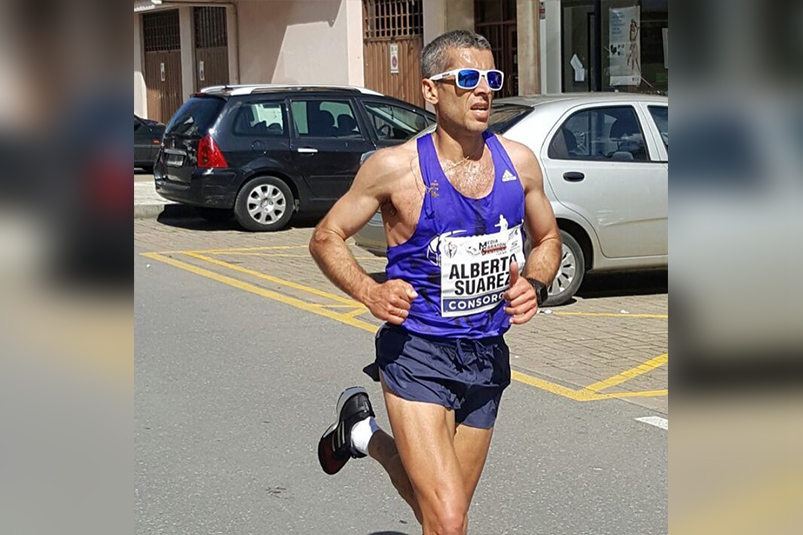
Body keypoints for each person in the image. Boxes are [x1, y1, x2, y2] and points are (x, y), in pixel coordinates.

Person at [309, 30, 561, 535]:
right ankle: (364, 434)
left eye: (491, 78)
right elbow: (326, 237)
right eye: (467, 78)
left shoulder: (520, 163)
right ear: (431, 90)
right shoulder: (394, 168)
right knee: (448, 519)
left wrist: (534, 282)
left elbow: (549, 238)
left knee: (442, 517)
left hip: (486, 355)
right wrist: (369, 291)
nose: (483, 90)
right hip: (418, 352)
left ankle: (362, 434)